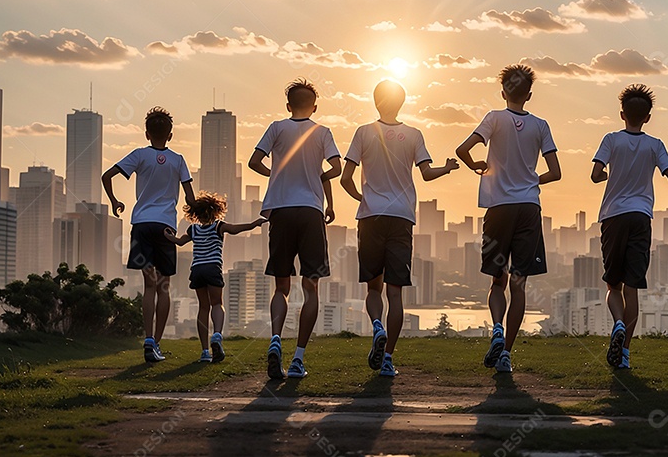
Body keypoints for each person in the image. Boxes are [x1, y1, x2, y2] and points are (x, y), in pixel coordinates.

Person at [341, 80, 459, 377]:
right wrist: (447, 167)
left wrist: (363, 198)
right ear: (403, 102)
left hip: (371, 217)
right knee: (396, 293)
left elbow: (345, 179)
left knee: (373, 287)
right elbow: (427, 174)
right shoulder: (414, 135)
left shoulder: (363, 132)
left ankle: (377, 326)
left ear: (375, 101)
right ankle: (388, 359)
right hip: (402, 218)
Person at [456, 65, 560, 374]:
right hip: (528, 207)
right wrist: (529, 181)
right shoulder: (541, 126)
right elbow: (555, 173)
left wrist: (476, 163)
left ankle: (497, 330)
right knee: (519, 283)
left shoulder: (494, 118)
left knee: (496, 280)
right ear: (529, 95)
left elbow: (462, 149)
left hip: (498, 208)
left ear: (503, 93)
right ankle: (507, 355)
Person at [249, 79, 342, 380]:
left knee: (281, 286)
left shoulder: (276, 128)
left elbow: (254, 162)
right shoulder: (322, 132)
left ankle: (276, 339)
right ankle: (298, 358)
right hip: (311, 211)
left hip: (281, 211)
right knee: (311, 286)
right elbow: (337, 168)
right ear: (314, 107)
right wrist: (318, 180)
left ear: (288, 106)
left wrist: (276, 173)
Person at [592, 85, 668, 370]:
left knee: (612, 284)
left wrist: (611, 174)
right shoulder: (655, 145)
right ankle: (625, 353)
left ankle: (617, 323)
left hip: (613, 216)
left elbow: (595, 175)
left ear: (622, 114)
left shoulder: (611, 139)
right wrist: (660, 169)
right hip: (641, 217)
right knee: (632, 288)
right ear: (648, 118)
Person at [102, 107, 194, 364]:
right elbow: (190, 199)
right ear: (171, 135)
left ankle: (148, 339)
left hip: (141, 225)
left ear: (146, 134)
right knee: (164, 286)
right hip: (165, 226)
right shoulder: (178, 160)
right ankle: (157, 345)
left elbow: (106, 175)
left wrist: (114, 201)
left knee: (149, 286)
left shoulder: (139, 155)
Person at [164, 192, 267, 363]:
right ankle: (217, 335)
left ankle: (205, 352)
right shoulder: (219, 226)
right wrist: (254, 224)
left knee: (203, 308)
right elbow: (236, 229)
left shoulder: (193, 229)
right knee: (217, 304)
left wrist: (168, 236)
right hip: (213, 267)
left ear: (195, 213)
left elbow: (180, 242)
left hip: (197, 269)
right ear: (215, 211)